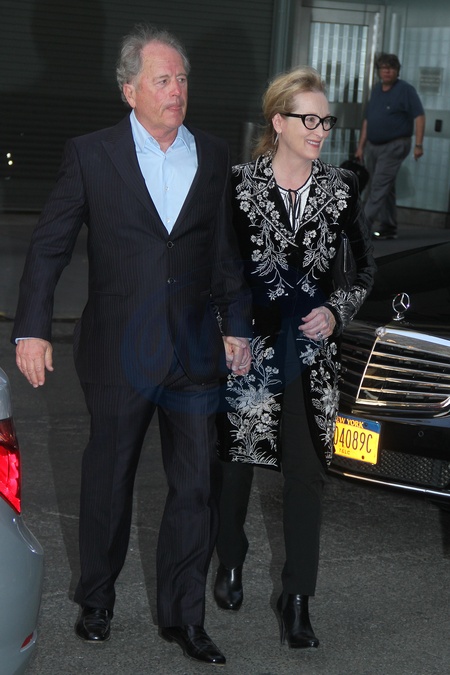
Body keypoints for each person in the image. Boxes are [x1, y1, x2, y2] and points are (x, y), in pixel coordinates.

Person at [12, 23, 252, 667]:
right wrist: (32, 327)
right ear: (130, 91)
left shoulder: (214, 154)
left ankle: (185, 617)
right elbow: (50, 245)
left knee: (195, 489)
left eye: (182, 80)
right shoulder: (92, 154)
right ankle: (97, 598)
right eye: (162, 80)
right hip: (118, 350)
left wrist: (236, 324)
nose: (176, 91)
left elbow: (224, 252)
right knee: (109, 479)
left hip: (194, 353)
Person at [213, 66, 376, 649]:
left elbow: (365, 267)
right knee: (234, 465)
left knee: (307, 476)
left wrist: (336, 311)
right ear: (277, 121)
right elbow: (220, 268)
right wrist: (228, 332)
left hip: (312, 357)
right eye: (309, 119)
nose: (320, 130)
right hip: (250, 351)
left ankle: (298, 598)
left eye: (326, 120)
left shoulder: (341, 188)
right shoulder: (237, 185)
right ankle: (230, 556)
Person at [354, 52, 425, 240]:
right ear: (379, 71)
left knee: (378, 186)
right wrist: (361, 146)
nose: (387, 71)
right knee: (384, 185)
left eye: (391, 68)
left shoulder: (406, 90)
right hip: (373, 145)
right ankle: (388, 227)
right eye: (384, 68)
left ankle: (359, 230)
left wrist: (418, 144)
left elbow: (419, 116)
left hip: (395, 145)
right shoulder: (377, 90)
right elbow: (368, 120)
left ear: (397, 71)